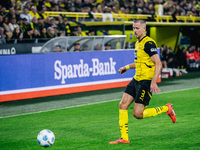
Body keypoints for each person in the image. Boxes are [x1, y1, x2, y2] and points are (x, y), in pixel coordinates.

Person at [109, 19, 176, 144]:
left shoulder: (148, 43)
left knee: (138, 114)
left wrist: (154, 82)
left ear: (144, 29)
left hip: (146, 81)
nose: (135, 30)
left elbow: (158, 63)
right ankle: (124, 138)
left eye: (137, 28)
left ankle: (166, 108)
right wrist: (126, 67)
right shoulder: (138, 43)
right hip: (136, 79)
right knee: (122, 105)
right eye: (133, 28)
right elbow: (139, 62)